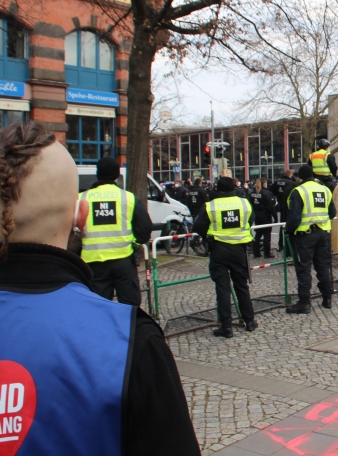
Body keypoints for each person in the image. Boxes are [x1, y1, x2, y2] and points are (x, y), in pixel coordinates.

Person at [0, 122, 200, 455]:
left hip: (93, 266)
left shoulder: (89, 197)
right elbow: (144, 228)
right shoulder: (134, 340)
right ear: (77, 214)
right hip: (120, 267)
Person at [80, 156, 153, 307]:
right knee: (129, 307)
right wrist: (135, 242)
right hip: (123, 261)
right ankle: (129, 331)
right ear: (116, 174)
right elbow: (145, 229)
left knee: (97, 308)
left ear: (98, 173)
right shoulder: (128, 198)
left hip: (93, 263)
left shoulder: (82, 199)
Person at [193, 177, 257, 337]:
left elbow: (198, 226)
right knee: (241, 285)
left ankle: (226, 326)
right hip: (239, 250)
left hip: (219, 249)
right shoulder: (244, 203)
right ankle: (249, 321)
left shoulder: (210, 206)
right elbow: (251, 220)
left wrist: (209, 236)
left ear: (218, 189)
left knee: (222, 288)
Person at [284, 165, 336, 312]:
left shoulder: (298, 191)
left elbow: (294, 217)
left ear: (300, 177)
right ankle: (327, 298)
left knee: (304, 269)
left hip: (305, 236)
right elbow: (332, 212)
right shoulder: (325, 189)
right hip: (322, 234)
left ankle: (304, 303)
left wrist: (289, 231)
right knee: (323, 267)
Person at [270, 169, 298, 252]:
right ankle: (289, 247)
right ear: (290, 175)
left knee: (282, 226)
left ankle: (280, 245)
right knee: (289, 226)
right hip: (288, 206)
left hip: (281, 205)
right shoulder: (291, 183)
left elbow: (271, 191)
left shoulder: (278, 182)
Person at [250, 178, 278, 258]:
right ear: (264, 183)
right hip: (265, 215)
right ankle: (267, 253)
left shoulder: (252, 193)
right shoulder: (266, 193)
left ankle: (256, 252)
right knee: (266, 235)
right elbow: (271, 206)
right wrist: (275, 217)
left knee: (258, 234)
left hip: (256, 215)